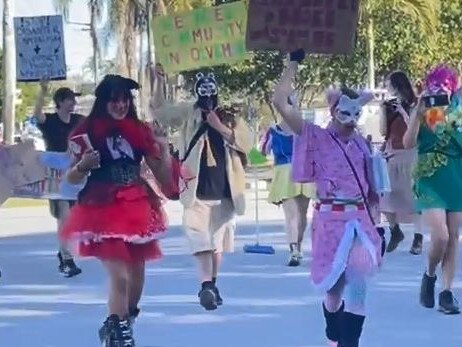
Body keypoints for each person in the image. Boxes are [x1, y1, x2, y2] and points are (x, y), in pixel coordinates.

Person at [60, 74, 180, 346]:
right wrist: (83, 166)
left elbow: (163, 179)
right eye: (115, 100)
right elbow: (69, 180)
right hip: (101, 208)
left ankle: (123, 322)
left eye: (125, 99)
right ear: (104, 101)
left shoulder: (140, 130)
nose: (121, 104)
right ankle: (117, 330)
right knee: (121, 275)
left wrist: (163, 148)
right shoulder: (86, 132)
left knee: (136, 279)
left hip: (137, 207)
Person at [274, 49, 383, 346]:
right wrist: (293, 62)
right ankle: (333, 335)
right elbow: (280, 102)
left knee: (358, 284)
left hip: (359, 221)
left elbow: (372, 187)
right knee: (333, 291)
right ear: (333, 111)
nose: (351, 120)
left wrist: (378, 219)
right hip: (330, 221)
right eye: (344, 113)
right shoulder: (314, 136)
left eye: (356, 113)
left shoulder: (362, 142)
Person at [151, 65, 252, 311]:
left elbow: (247, 143)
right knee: (199, 239)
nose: (207, 94)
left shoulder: (230, 115)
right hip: (194, 189)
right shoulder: (189, 112)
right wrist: (158, 82)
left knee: (216, 244)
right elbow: (161, 113)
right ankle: (205, 285)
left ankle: (211, 284)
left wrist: (219, 126)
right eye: (202, 89)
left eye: (211, 89)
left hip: (225, 191)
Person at [403, 65, 462, 315]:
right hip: (428, 178)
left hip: (456, 177)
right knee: (441, 235)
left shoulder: (458, 113)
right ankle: (429, 276)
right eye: (437, 88)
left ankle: (447, 293)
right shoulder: (425, 108)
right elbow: (407, 143)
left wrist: (454, 119)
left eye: (447, 90)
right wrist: (417, 112)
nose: (441, 95)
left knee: (453, 238)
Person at [34, 81, 84, 277]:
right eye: (70, 99)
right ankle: (67, 259)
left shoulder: (79, 120)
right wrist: (43, 91)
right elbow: (37, 114)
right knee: (63, 215)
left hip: (75, 175)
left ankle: (63, 251)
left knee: (73, 217)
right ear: (61, 102)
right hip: (54, 175)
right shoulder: (50, 121)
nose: (74, 102)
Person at [260, 117, 315, 266]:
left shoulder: (305, 130)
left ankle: (296, 248)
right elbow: (261, 153)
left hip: (297, 173)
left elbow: (261, 153)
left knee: (297, 215)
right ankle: (295, 248)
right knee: (296, 214)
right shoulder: (274, 131)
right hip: (295, 173)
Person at [379, 71, 423, 254]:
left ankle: (418, 238)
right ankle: (395, 230)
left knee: (413, 198)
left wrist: (404, 111)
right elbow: (383, 132)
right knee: (385, 197)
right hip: (391, 154)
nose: (387, 89)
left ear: (397, 85)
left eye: (389, 85)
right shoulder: (389, 106)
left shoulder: (415, 104)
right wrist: (383, 110)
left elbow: (416, 128)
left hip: (411, 154)